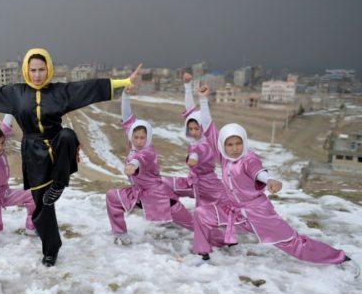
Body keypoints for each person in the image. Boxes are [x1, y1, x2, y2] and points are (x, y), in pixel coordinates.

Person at [0, 48, 141, 266]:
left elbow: (88, 88)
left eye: (41, 69)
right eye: (33, 70)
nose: (37, 74)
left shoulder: (59, 92)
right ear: (26, 71)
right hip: (33, 153)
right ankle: (51, 249)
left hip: (57, 145)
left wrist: (125, 81)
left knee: (68, 135)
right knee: (41, 206)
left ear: (48, 69)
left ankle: (59, 183)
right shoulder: (16, 93)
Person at [191, 89, 360, 277]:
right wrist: (203, 99)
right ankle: (204, 255)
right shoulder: (223, 157)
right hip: (234, 211)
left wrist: (269, 180)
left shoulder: (248, 159)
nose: (234, 148)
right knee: (202, 213)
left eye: (238, 143)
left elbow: (258, 171)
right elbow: (207, 126)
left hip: (259, 213)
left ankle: (339, 257)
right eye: (229, 145)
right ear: (223, 145)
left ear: (244, 142)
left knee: (296, 245)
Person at [105, 87, 193, 245]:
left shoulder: (148, 152)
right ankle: (120, 233)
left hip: (157, 196)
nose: (138, 141)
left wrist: (132, 166)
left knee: (192, 224)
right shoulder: (133, 142)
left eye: (142, 138)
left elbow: (139, 159)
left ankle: (219, 236)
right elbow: (127, 119)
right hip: (138, 193)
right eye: (136, 137)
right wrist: (125, 95)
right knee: (112, 197)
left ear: (148, 138)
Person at [163, 74, 225, 207]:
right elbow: (190, 109)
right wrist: (187, 86)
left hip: (209, 185)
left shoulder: (207, 141)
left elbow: (199, 152)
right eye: (190, 129)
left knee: (213, 212)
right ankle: (171, 211)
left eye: (197, 128)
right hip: (193, 182)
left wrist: (203, 99)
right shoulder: (195, 141)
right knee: (162, 184)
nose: (193, 132)